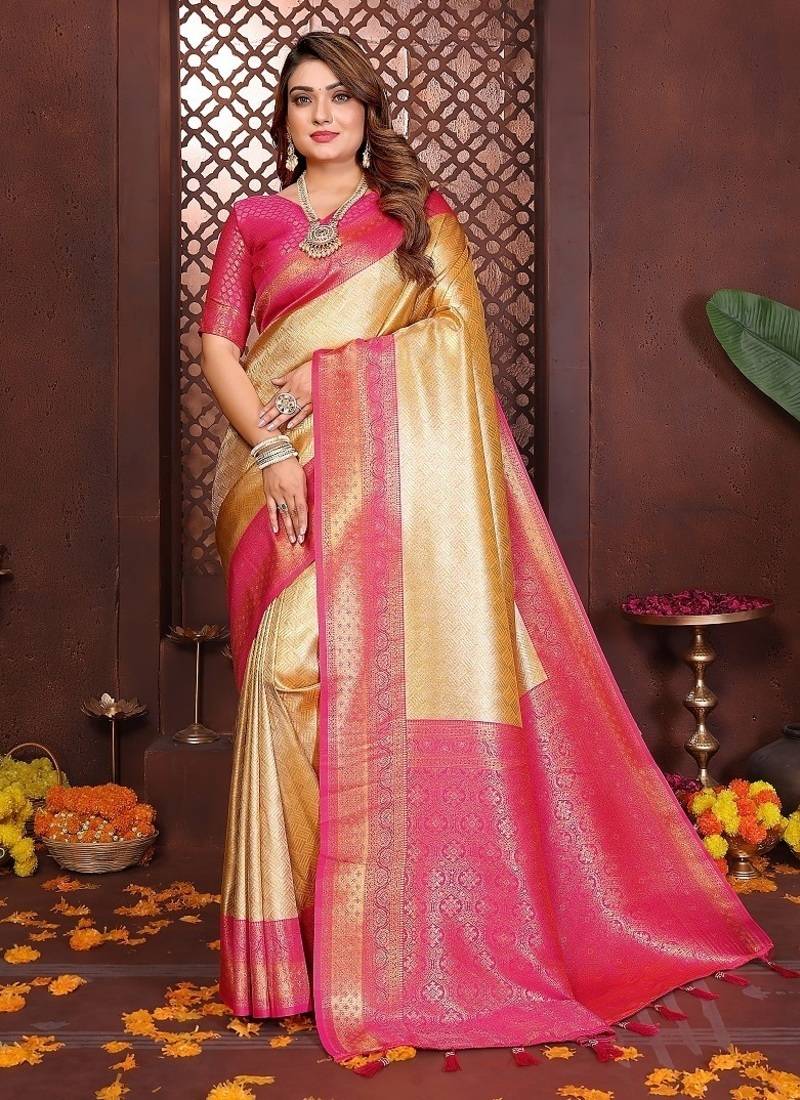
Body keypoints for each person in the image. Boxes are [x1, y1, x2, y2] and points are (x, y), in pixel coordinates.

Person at [199, 29, 777, 1073]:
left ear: (367, 111)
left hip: (394, 493)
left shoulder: (417, 216)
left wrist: (332, 371)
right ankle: (300, 941)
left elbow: (454, 348)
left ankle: (384, 932)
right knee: (283, 678)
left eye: (339, 96)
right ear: (283, 116)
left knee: (347, 676)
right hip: (278, 486)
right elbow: (218, 347)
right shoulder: (255, 220)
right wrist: (275, 451)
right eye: (302, 97)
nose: (321, 114)